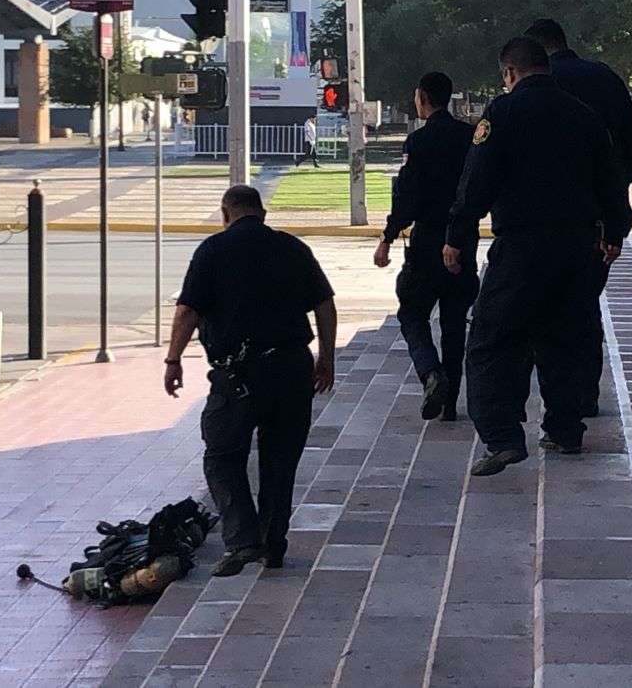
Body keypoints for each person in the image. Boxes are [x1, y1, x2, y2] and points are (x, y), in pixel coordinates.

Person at [444, 37, 632, 477]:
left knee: (491, 340)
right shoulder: (582, 115)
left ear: (509, 73)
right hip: (576, 249)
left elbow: (476, 181)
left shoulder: (503, 113)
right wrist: (615, 231)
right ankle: (565, 428)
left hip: (521, 248)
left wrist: (457, 235)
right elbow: (611, 179)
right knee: (567, 337)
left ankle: (502, 435)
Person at [163, 185, 338, 576]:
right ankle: (273, 545)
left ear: (227, 213)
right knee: (280, 461)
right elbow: (325, 303)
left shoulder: (212, 250)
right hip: (292, 369)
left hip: (238, 374)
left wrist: (173, 360)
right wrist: (326, 358)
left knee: (223, 456)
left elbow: (188, 310)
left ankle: (243, 540)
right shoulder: (292, 248)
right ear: (262, 213)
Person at [523, 18, 632, 417]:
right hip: (597, 217)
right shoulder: (603, 78)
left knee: (544, 310)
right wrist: (619, 188)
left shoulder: (531, 90)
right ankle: (585, 392)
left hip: (542, 218)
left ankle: (560, 400)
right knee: (583, 304)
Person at [374, 72, 478, 422]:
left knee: (412, 313)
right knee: (454, 323)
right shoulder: (470, 138)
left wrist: (387, 237)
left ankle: (431, 372)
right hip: (462, 241)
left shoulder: (417, 143)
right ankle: (450, 404)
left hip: (427, 241)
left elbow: (407, 198)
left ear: (422, 98)